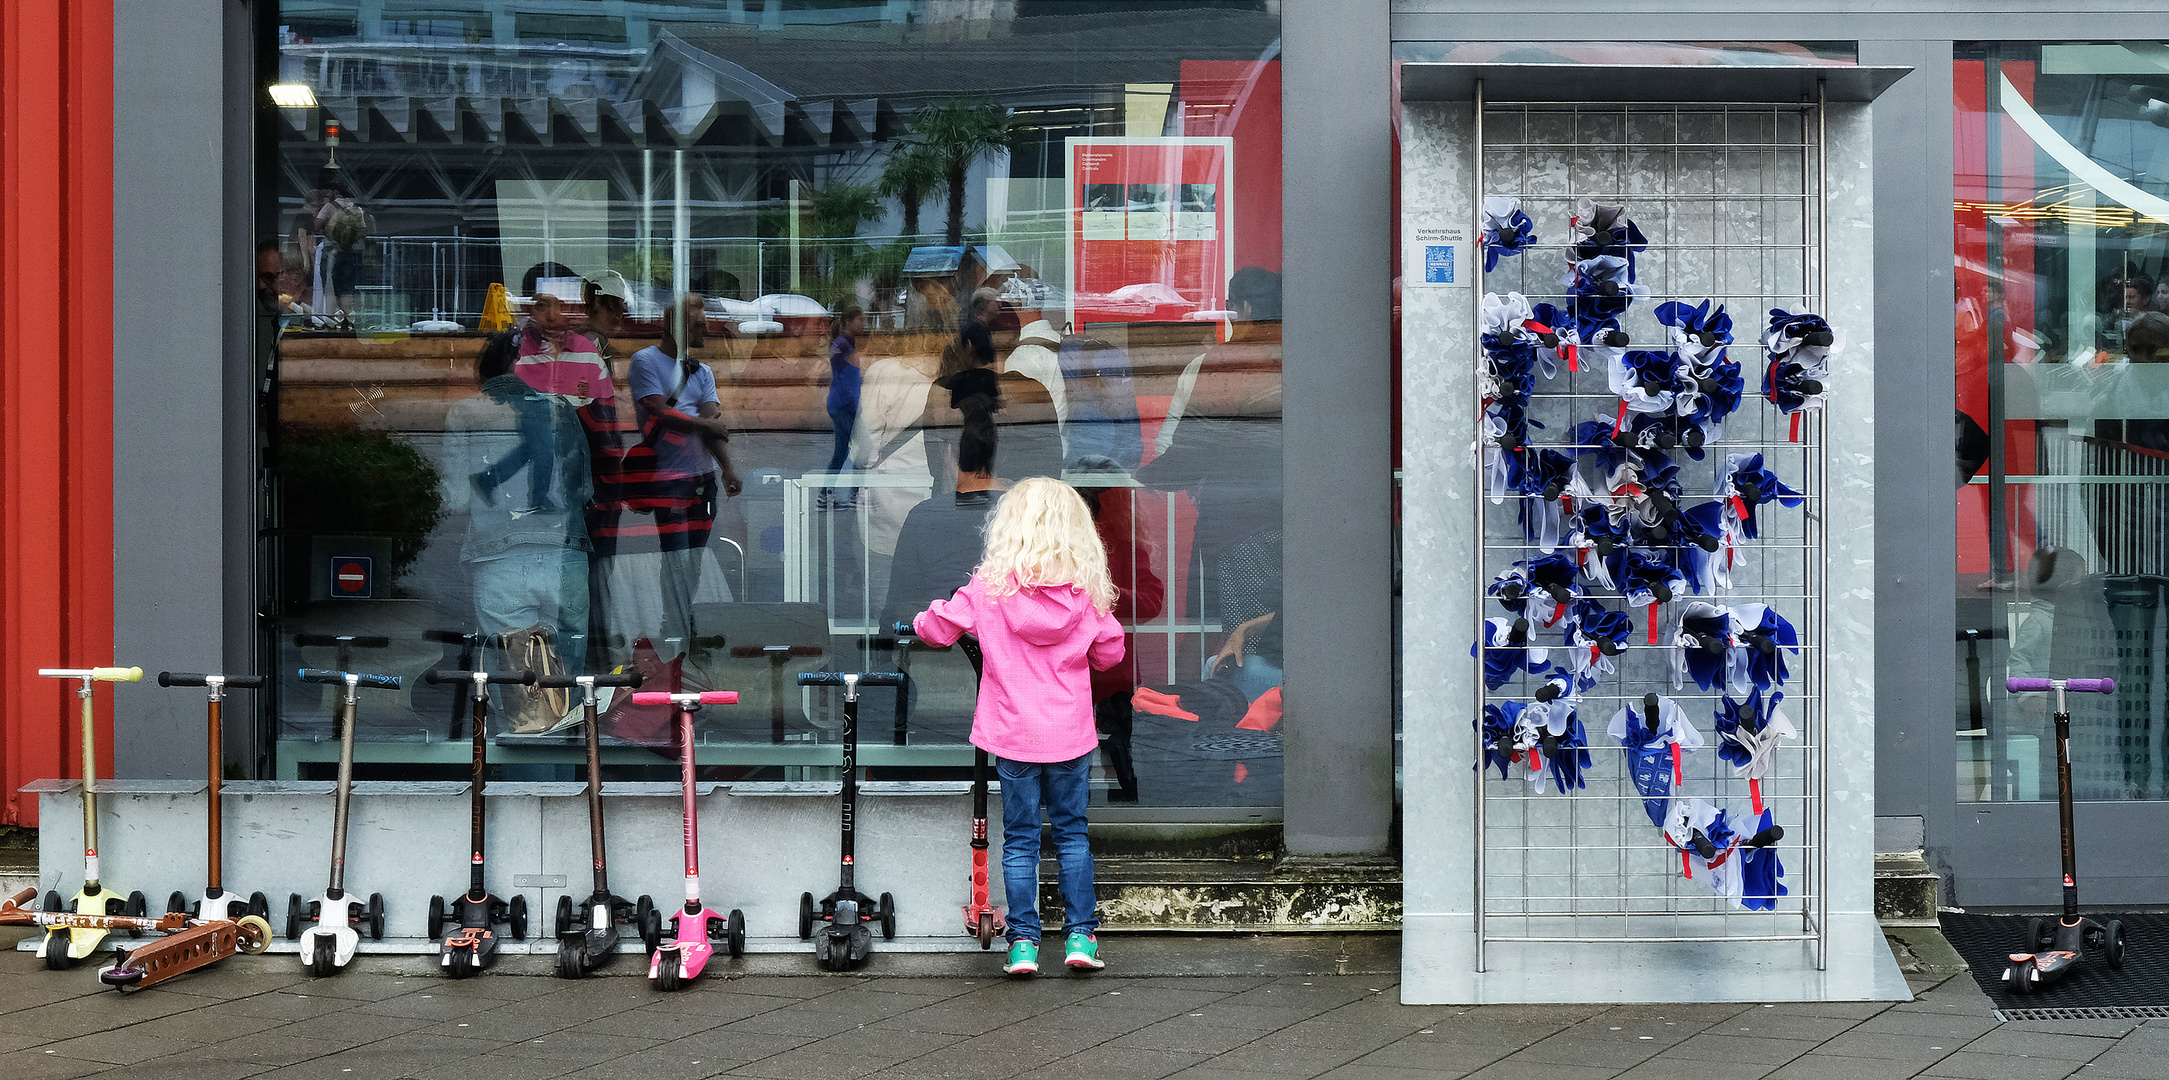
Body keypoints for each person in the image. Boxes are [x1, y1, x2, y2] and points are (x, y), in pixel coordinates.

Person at [909, 477, 1125, 976]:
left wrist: (924, 617)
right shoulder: (1086, 594)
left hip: (1012, 735)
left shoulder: (989, 589)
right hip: (1069, 735)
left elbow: (937, 629)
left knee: (1021, 840)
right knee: (1072, 835)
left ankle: (1024, 944)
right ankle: (1080, 938)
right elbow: (1110, 653)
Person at [822, 305, 866, 509]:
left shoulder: (845, 343)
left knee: (840, 454)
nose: (863, 324)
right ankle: (853, 498)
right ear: (848, 322)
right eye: (860, 320)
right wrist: (856, 408)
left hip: (840, 404)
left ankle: (825, 497)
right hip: (844, 405)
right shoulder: (843, 345)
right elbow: (847, 380)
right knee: (864, 448)